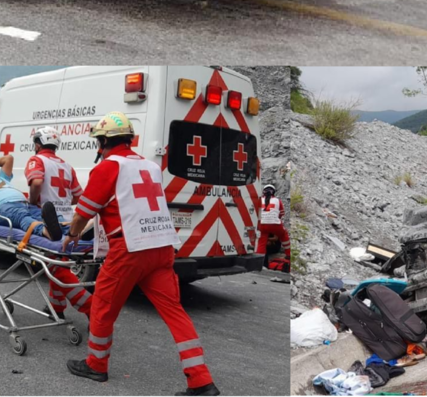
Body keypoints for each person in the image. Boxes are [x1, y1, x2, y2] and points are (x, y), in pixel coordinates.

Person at [64, 113, 219, 396]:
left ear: (102, 142)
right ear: (130, 139)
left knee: (102, 306)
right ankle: (201, 380)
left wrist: (72, 235)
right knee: (174, 312)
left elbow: (84, 212)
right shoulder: (150, 166)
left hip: (130, 249)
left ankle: (96, 365)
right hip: (161, 248)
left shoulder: (108, 167)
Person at [25, 127, 92, 318]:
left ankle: (90, 307)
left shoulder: (37, 160)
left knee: (55, 265)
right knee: (58, 262)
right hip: (67, 220)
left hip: (48, 217)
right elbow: (78, 196)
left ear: (37, 144)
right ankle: (57, 307)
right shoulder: (66, 166)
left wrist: (32, 203)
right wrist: (62, 203)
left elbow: (37, 183)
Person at [255, 184, 287, 263]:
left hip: (273, 245)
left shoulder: (260, 201)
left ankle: (261, 263)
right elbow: (281, 213)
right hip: (268, 239)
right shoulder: (277, 201)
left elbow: (275, 238)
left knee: (262, 245)